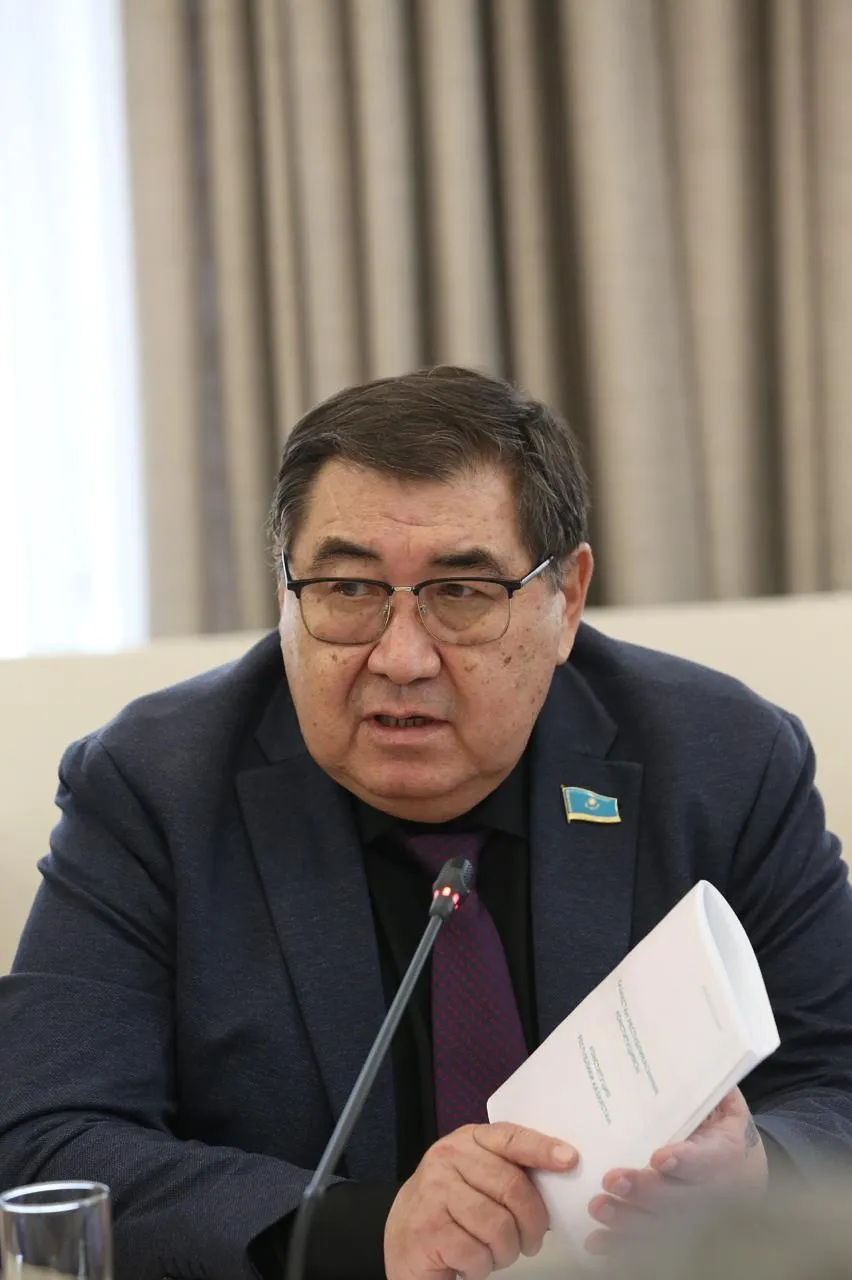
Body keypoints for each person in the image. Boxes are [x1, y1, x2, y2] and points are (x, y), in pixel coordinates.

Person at [0, 365, 851, 1280]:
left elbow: (835, 1073)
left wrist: (760, 1169)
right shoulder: (156, 788)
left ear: (567, 599)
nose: (401, 658)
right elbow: (45, 1143)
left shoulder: (722, 764)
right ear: (285, 595)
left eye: (462, 593)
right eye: (348, 589)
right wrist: (359, 1231)